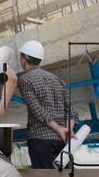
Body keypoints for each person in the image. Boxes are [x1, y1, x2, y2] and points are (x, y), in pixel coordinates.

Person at [17, 40, 79, 168]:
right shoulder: (57, 79)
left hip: (40, 140)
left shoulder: (25, 79)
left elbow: (37, 110)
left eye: (20, 56)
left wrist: (58, 128)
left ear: (24, 59)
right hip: (63, 141)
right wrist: (68, 129)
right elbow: (71, 110)